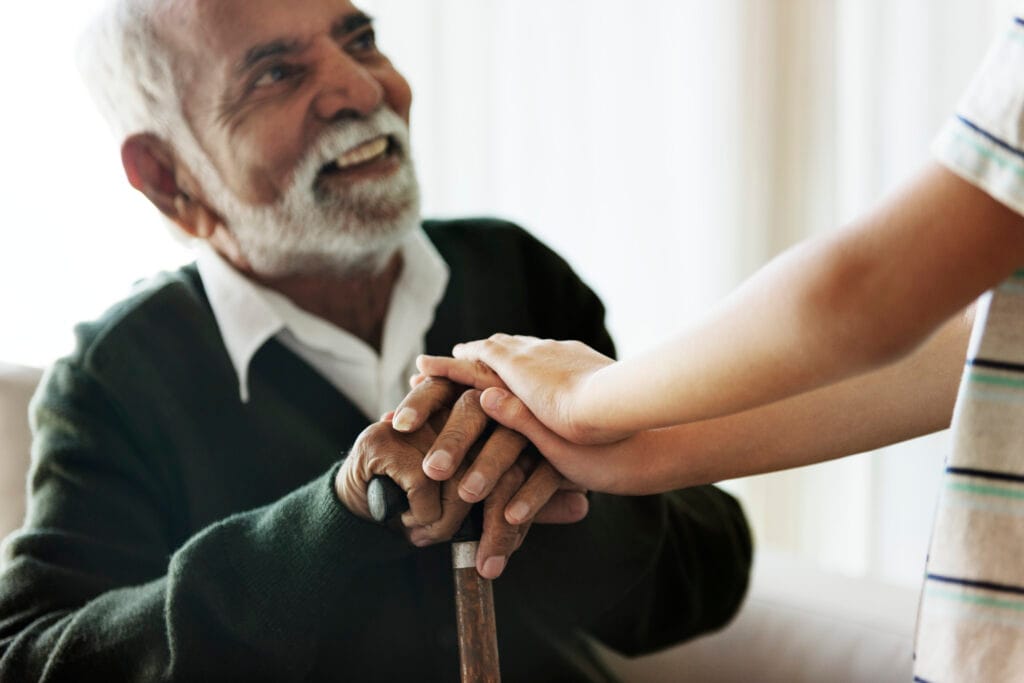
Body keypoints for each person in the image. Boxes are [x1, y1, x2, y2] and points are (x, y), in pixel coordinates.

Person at [0, 0, 753, 680]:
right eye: (275, 74)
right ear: (167, 176)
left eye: (359, 38)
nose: (364, 91)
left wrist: (566, 482)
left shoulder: (513, 270)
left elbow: (708, 579)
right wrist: (335, 516)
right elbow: (33, 658)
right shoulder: (117, 378)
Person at [413, 14, 1024, 682]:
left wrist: (589, 396)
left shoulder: (507, 265)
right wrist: (636, 446)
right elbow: (975, 347)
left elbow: (870, 295)